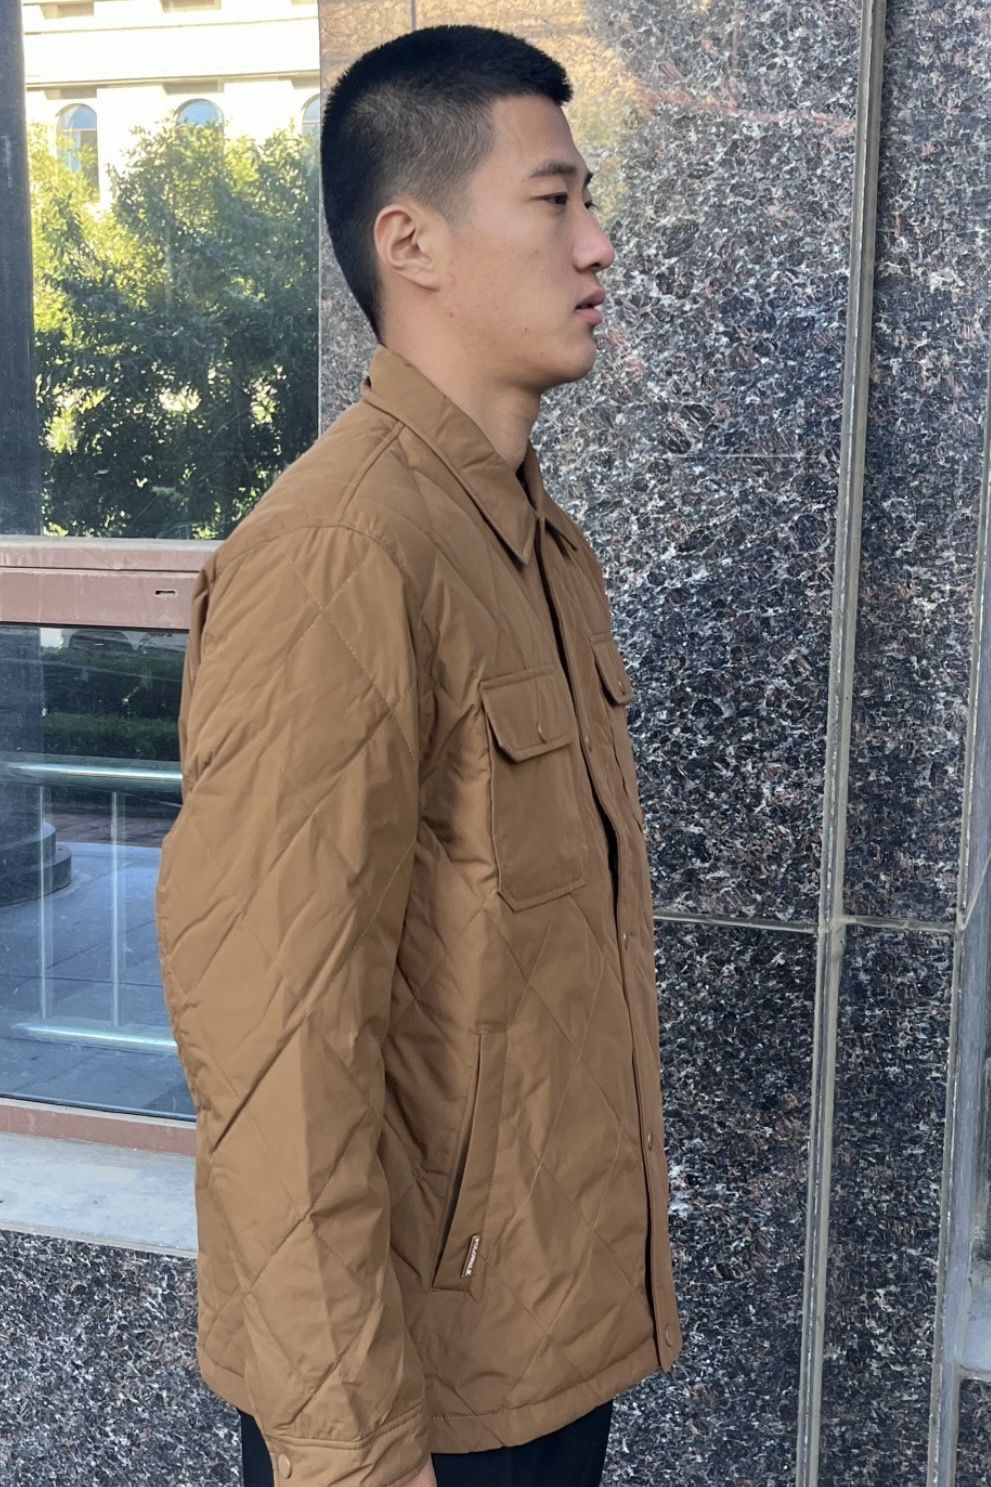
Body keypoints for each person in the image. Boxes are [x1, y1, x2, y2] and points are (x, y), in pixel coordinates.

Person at [154, 24, 682, 1487]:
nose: (598, 245)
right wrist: (351, 1460)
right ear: (413, 243)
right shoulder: (342, 554)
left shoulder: (527, 539)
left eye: (588, 202)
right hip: (410, 1416)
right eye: (554, 200)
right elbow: (277, 1062)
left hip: (541, 1352)